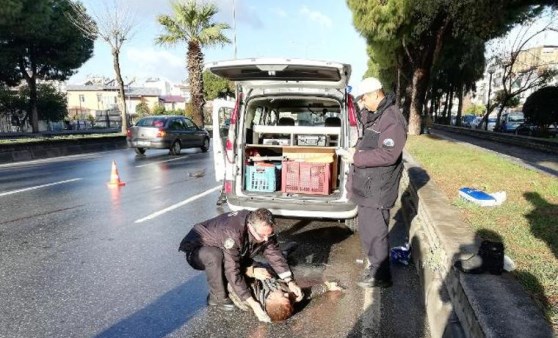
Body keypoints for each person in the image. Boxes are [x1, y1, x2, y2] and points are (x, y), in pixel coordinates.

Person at [178, 208, 303, 323]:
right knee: (215, 256)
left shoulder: (262, 229)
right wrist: (253, 304)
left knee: (252, 259)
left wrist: (290, 281)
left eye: (269, 235)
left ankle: (283, 255)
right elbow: (232, 269)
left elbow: (273, 253)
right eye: (262, 235)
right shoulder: (233, 233)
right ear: (250, 227)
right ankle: (217, 298)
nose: (266, 239)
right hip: (197, 248)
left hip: (225, 246)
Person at [342, 77, 407, 288]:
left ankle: (381, 275)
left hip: (378, 187)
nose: (363, 101)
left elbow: (389, 154)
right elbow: (366, 132)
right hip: (367, 186)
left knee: (377, 232)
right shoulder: (376, 115)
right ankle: (373, 266)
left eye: (364, 97)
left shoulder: (392, 119)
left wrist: (356, 158)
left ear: (376, 94)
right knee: (368, 229)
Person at [227, 265, 344, 321]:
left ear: (270, 299)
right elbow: (308, 293)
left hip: (245, 265)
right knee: (278, 268)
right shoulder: (284, 301)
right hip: (271, 273)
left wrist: (251, 271)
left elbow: (231, 273)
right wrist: (328, 286)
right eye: (287, 297)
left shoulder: (244, 297)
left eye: (284, 296)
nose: (287, 294)